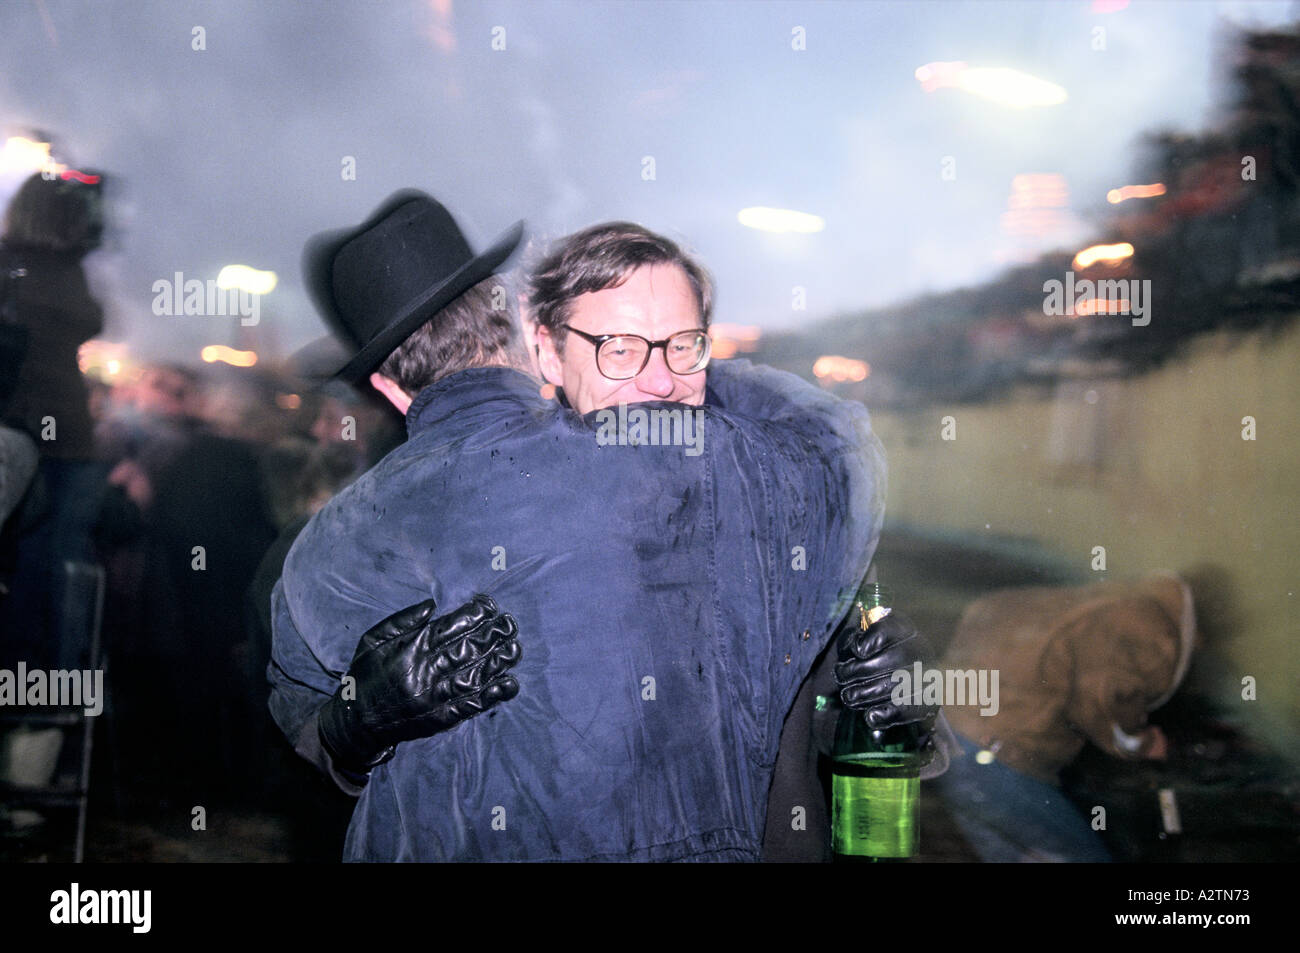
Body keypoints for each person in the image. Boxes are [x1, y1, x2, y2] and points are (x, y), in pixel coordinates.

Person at [270, 191, 895, 860]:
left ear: (389, 388)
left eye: (684, 345)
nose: (657, 382)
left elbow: (829, 710)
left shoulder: (332, 545)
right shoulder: (775, 475)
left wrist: (877, 702)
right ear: (537, 346)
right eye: (621, 349)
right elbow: (838, 442)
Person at [933, 571, 1196, 862]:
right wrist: (1144, 743)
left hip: (946, 741)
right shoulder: (1150, 628)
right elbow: (1103, 695)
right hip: (996, 759)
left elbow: (979, 614)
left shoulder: (1063, 600)